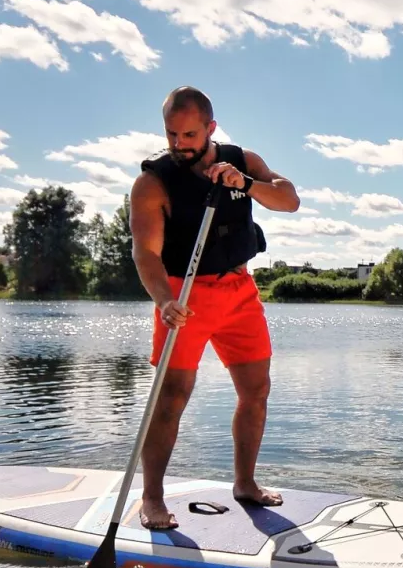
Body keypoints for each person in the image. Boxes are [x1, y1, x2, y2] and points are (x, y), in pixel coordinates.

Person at [129, 86, 301, 530]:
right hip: (184, 295)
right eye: (171, 135)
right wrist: (164, 300)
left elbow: (288, 200)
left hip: (240, 292)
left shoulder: (243, 160)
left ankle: (245, 482)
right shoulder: (153, 183)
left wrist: (244, 183)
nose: (179, 144)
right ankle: (151, 499)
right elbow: (146, 255)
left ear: (210, 127)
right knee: (171, 398)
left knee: (256, 390)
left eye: (188, 134)